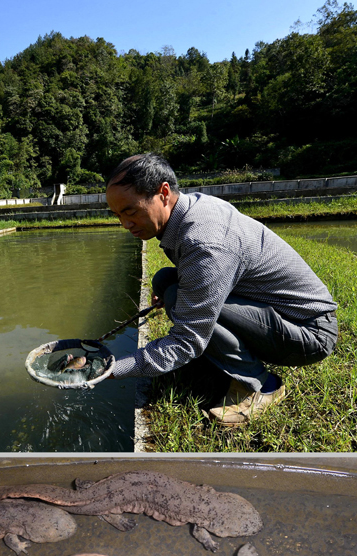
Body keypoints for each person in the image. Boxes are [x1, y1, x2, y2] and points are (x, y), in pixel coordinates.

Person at [105, 153, 338, 425]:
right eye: (118, 214)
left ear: (163, 193)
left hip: (309, 332)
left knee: (179, 300)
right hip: (276, 313)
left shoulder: (205, 241)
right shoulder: (193, 206)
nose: (125, 224)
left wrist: (111, 369)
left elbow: (187, 339)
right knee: (167, 281)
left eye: (130, 211)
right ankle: (222, 356)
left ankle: (261, 385)